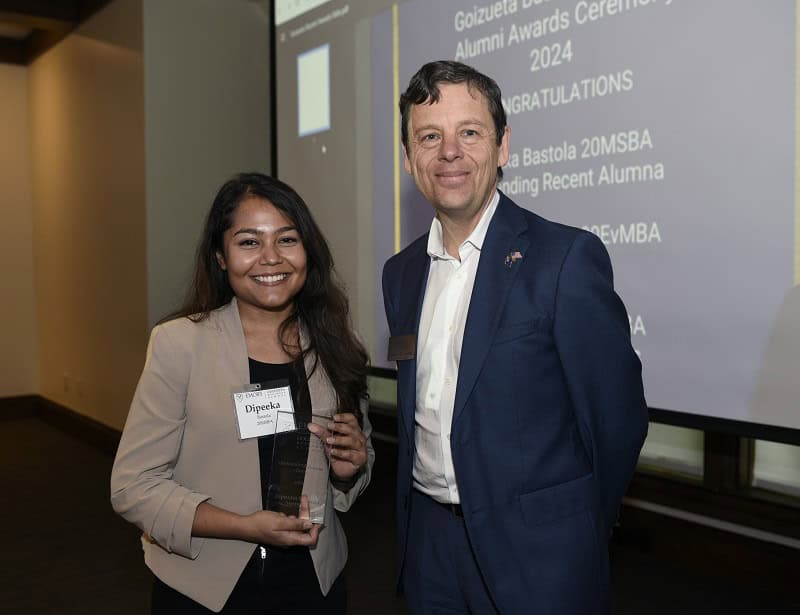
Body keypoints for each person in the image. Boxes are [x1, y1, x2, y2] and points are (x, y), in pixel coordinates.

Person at [382, 60, 649, 614]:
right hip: (431, 547)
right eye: (429, 137)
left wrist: (573, 528)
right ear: (410, 160)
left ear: (502, 147)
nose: (449, 152)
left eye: (469, 133)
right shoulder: (401, 273)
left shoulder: (564, 260)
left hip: (540, 556)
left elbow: (616, 420)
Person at [111, 172, 374, 614]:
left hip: (313, 585)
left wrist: (350, 468)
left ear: (307, 250)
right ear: (220, 255)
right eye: (249, 242)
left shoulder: (337, 346)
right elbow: (134, 487)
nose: (271, 258)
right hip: (207, 589)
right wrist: (244, 527)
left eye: (287, 240)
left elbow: (347, 474)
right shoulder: (179, 345)